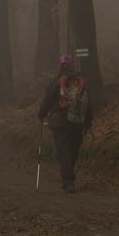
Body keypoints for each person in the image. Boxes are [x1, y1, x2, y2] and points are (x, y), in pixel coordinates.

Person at [37, 54, 93, 193]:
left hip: (59, 122)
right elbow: (88, 103)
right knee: (73, 151)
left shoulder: (58, 81)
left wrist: (41, 114)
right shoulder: (79, 82)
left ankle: (68, 181)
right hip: (77, 122)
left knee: (64, 152)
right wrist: (88, 121)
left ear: (60, 66)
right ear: (73, 65)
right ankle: (68, 179)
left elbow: (48, 99)